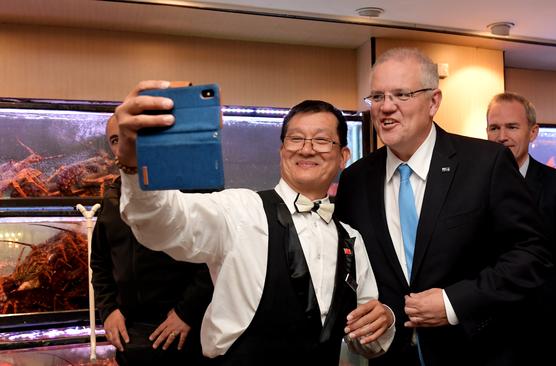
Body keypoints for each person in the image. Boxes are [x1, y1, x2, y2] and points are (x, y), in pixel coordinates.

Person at [112, 89, 395, 365]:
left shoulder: (352, 240)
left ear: (344, 156)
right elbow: (163, 224)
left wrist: (385, 320)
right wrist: (133, 164)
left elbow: (366, 338)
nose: (307, 148)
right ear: (282, 150)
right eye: (295, 139)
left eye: (321, 140)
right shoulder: (240, 211)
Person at [335, 47, 551, 365]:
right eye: (377, 97)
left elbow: (532, 254)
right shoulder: (355, 179)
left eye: (401, 95)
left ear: (433, 101)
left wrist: (453, 301)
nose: (386, 108)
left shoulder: (485, 164)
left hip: (475, 351)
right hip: (393, 356)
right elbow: (350, 269)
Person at [91, 114, 213, 365]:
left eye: (132, 137)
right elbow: (100, 261)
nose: (123, 146)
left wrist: (186, 312)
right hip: (132, 333)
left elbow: (213, 255)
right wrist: (108, 310)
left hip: (186, 330)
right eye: (116, 140)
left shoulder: (196, 189)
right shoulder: (113, 197)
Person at [486, 92, 556, 364]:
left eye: (512, 127)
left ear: (533, 132)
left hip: (544, 328)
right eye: (494, 127)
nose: (501, 136)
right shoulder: (472, 186)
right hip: (487, 328)